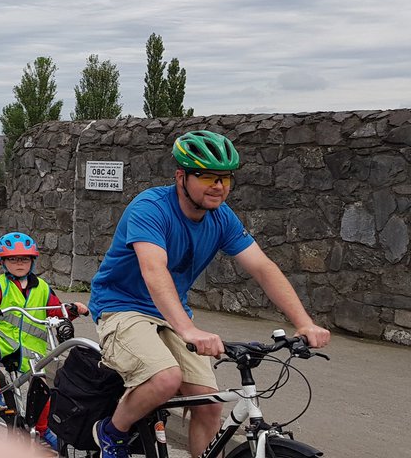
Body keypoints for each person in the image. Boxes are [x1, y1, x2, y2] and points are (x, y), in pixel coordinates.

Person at [87, 130, 330, 458]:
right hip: (121, 306)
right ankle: (112, 432)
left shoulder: (222, 217)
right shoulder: (150, 208)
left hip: (170, 313)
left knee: (210, 405)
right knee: (165, 378)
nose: (218, 186)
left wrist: (304, 323)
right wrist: (188, 329)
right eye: (206, 176)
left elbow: (262, 267)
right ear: (181, 177)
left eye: (225, 178)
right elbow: (154, 270)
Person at [0, 231, 88, 451]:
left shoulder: (42, 287)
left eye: (24, 259)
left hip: (30, 347)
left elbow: (55, 310)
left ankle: (42, 430)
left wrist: (73, 309)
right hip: (2, 337)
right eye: (13, 259)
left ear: (32, 261)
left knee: (43, 389)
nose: (19, 263)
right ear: (3, 262)